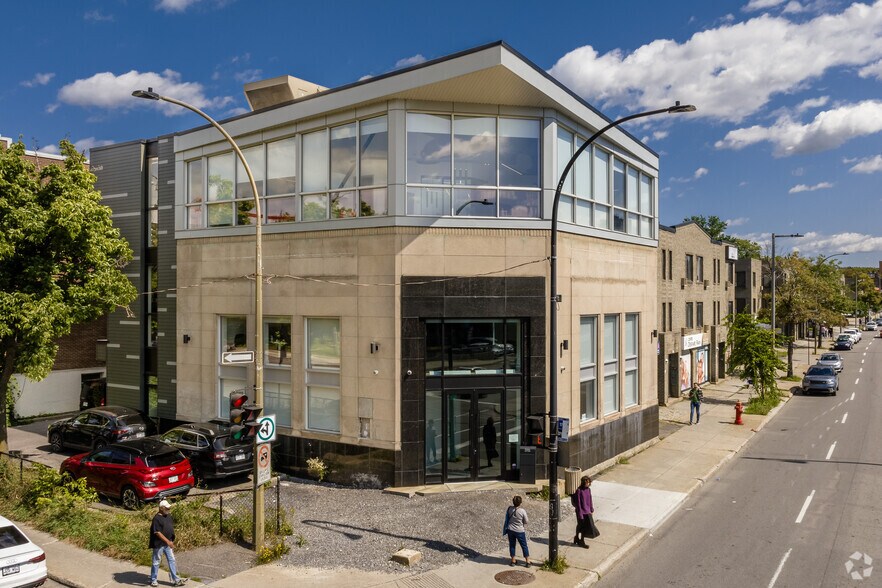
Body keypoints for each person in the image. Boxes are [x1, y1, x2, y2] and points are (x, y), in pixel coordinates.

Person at [149, 500, 188, 587]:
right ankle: (153, 580)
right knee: (156, 561)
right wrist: (167, 541)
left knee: (172, 560)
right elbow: (157, 532)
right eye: (167, 508)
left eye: (169, 508)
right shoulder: (156, 519)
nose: (168, 509)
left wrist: (171, 540)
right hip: (159, 544)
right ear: (161, 508)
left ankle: (175, 580)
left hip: (168, 543)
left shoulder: (168, 516)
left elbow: (169, 527)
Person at [571, 475, 600, 548]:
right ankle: (578, 538)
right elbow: (578, 503)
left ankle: (580, 539)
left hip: (587, 511)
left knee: (585, 527)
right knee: (580, 525)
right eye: (587, 482)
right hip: (581, 511)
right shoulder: (579, 491)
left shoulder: (588, 490)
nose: (588, 484)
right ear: (583, 483)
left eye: (589, 482)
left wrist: (591, 509)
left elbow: (590, 499)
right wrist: (580, 513)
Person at [503, 495, 532, 567]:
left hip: (510, 529)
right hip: (519, 530)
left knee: (512, 545)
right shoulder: (522, 511)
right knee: (524, 545)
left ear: (513, 502)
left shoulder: (510, 509)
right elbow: (526, 521)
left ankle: (513, 561)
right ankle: (527, 561)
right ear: (520, 503)